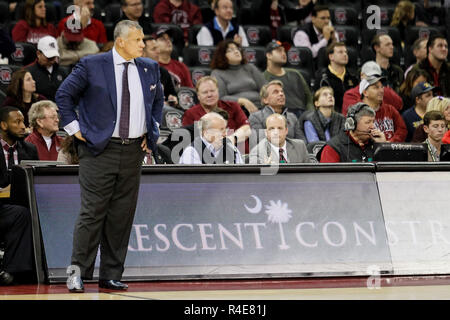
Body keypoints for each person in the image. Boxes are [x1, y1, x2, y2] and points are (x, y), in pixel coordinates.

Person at [55, 20, 164, 293]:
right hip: (98, 150)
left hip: (133, 151)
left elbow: (157, 103)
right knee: (92, 213)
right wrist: (75, 129)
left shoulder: (150, 68)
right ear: (120, 41)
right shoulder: (92, 64)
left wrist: (150, 134)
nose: (143, 44)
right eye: (138, 40)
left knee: (121, 216)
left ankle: (111, 274)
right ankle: (76, 273)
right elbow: (64, 95)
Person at [182, 76, 251, 144]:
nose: (209, 95)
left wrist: (232, 139)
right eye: (205, 92)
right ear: (198, 96)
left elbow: (247, 128)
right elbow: (188, 139)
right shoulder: (190, 114)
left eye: (212, 91)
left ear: (218, 91)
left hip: (238, 149)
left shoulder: (233, 107)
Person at [210, 40, 266, 113]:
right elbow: (221, 98)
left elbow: (265, 88)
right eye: (230, 50)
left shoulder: (250, 67)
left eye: (237, 49)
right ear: (222, 55)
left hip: (261, 107)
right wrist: (241, 100)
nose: (236, 51)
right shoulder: (217, 73)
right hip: (237, 110)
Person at [319, 103, 386, 163]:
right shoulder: (333, 148)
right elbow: (328, 176)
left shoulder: (376, 143)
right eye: (368, 122)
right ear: (352, 124)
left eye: (373, 122)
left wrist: (382, 146)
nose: (373, 126)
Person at [264, 40, 313, 118]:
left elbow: (309, 97)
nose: (283, 54)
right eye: (279, 51)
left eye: (284, 51)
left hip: (303, 114)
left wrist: (311, 114)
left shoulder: (296, 73)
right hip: (281, 116)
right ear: (269, 55)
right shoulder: (263, 78)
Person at [179, 112, 244, 164]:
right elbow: (195, 179)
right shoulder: (191, 152)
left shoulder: (231, 149)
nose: (225, 134)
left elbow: (241, 176)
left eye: (225, 129)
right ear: (206, 133)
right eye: (221, 130)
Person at [314, 42, 358, 114]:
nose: (345, 54)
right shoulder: (323, 79)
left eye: (346, 52)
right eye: (340, 52)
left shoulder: (353, 77)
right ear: (331, 57)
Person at [360, 75, 407, 142]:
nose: (381, 90)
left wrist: (389, 143)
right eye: (376, 88)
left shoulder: (390, 109)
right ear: (365, 92)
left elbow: (402, 130)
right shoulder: (358, 113)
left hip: (391, 149)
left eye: (382, 87)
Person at [0, 106, 39, 188]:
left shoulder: (30, 149)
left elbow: (36, 181)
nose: (23, 126)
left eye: (23, 122)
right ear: (3, 125)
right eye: (17, 122)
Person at [25, 36, 69, 101]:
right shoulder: (28, 72)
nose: (52, 61)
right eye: (49, 58)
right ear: (38, 54)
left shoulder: (63, 72)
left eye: (54, 57)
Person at [143, 35, 178, 105]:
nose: (158, 51)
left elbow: (173, 95)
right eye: (153, 49)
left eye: (158, 48)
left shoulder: (163, 72)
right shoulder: (134, 72)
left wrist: (173, 99)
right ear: (142, 53)